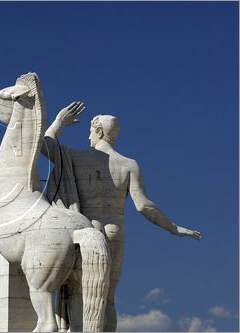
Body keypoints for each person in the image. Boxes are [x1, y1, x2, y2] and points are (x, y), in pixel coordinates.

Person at [42, 101, 201, 331]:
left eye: (90, 130)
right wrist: (173, 228)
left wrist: (59, 122)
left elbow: (45, 147)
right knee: (106, 300)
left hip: (88, 230)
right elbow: (144, 206)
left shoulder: (75, 157)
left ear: (98, 131)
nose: (88, 135)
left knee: (81, 295)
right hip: (114, 233)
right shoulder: (129, 165)